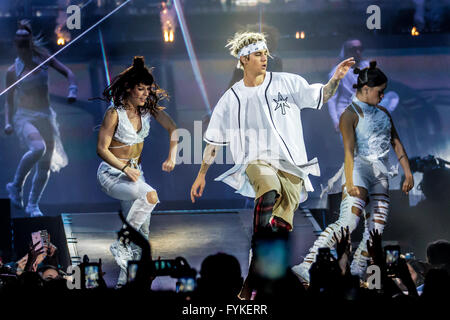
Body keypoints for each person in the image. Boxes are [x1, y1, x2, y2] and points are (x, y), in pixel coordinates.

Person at [190, 31, 355, 299]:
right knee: (267, 190)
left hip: (293, 168)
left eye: (266, 53)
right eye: (258, 54)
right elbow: (214, 142)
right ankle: (255, 257)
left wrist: (335, 79)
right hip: (256, 161)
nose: (264, 58)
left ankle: (253, 279)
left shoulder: (288, 83)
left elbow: (322, 96)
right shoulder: (231, 98)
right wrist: (201, 175)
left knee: (276, 235)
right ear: (244, 59)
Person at [292, 61, 414, 282]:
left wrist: (408, 172)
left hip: (381, 174)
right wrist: (350, 181)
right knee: (348, 222)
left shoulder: (384, 112)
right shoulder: (349, 114)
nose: (383, 95)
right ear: (366, 90)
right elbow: (348, 151)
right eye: (380, 91)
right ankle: (308, 263)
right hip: (358, 169)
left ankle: (358, 269)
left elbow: (396, 142)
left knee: (376, 227)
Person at [96, 56, 177, 287]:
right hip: (111, 175)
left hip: (134, 175)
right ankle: (120, 243)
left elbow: (173, 128)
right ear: (129, 88)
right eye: (140, 89)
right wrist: (123, 167)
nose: (145, 94)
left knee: (142, 235)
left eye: (148, 89)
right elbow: (101, 149)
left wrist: (172, 156)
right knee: (150, 196)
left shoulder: (147, 111)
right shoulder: (114, 114)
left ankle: (126, 285)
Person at [4, 20, 77, 217]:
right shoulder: (13, 71)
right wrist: (8, 122)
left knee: (44, 164)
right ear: (16, 46)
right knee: (38, 148)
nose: (22, 49)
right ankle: (15, 186)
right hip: (25, 117)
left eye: (24, 44)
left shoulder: (44, 59)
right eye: (19, 44)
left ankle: (33, 205)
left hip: (45, 115)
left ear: (29, 44)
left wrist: (72, 90)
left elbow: (68, 73)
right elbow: (9, 100)